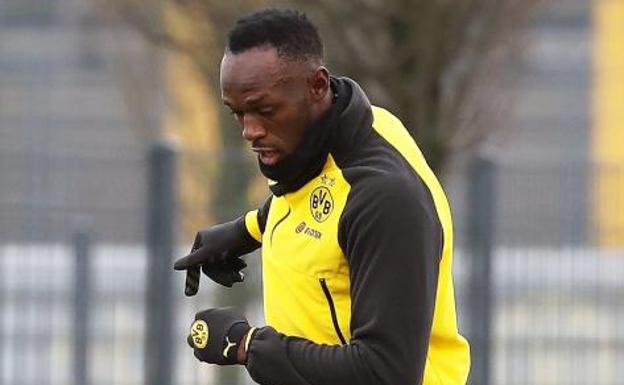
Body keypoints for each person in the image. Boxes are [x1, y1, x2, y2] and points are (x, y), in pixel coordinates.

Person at [174, 8, 470, 385]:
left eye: (264, 110)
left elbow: (386, 373)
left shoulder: (386, 200)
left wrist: (246, 344)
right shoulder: (333, 136)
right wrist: (246, 231)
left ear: (317, 86)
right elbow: (311, 195)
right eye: (237, 114)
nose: (249, 131)